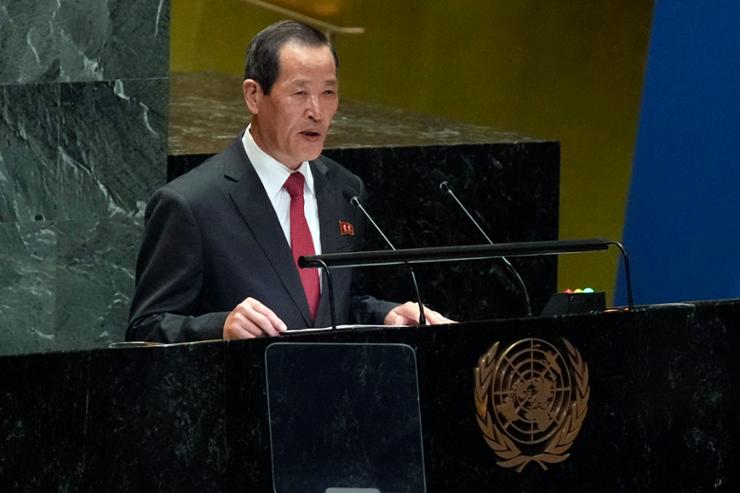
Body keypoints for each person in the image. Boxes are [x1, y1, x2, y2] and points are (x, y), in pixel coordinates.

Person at [126, 20, 452, 343]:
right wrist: (219, 328)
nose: (317, 111)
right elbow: (146, 329)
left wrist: (386, 315)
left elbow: (335, 307)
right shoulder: (190, 203)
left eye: (328, 93)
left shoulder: (344, 189)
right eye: (300, 93)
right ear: (254, 96)